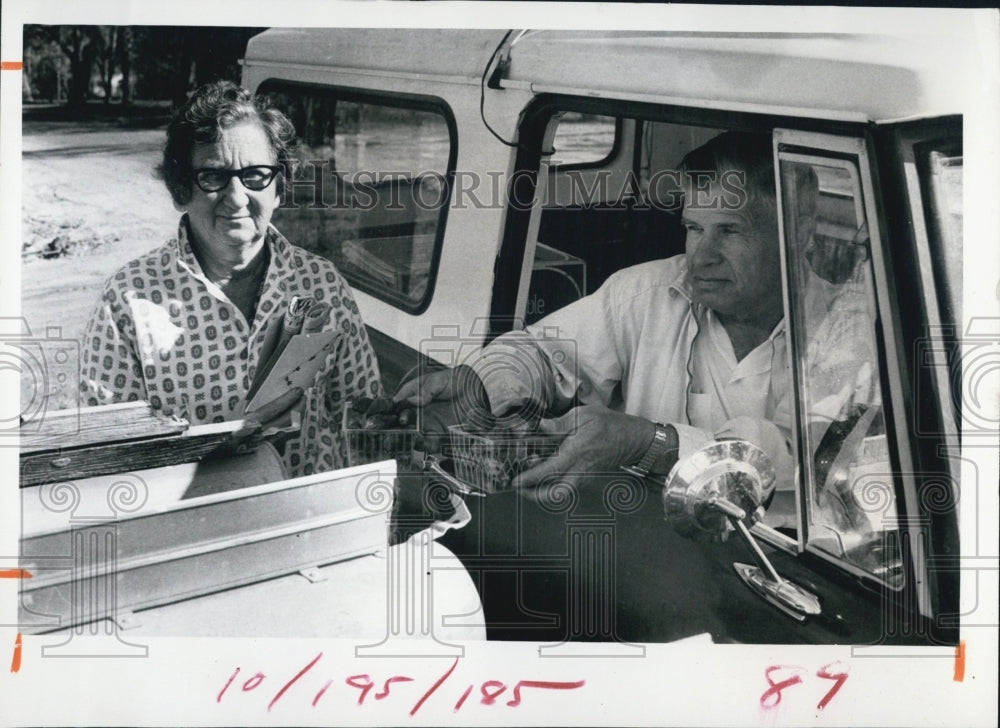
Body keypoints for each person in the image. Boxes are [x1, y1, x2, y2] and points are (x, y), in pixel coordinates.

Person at [399, 131, 815, 502]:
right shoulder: (646, 293)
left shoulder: (846, 331)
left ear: (796, 232)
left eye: (729, 230)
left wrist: (645, 442)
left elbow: (798, 457)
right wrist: (480, 381)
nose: (701, 257)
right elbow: (547, 355)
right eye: (693, 228)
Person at [80, 80, 380, 477]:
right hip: (195, 529)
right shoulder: (128, 301)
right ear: (180, 189)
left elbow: (363, 414)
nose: (237, 197)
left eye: (255, 175)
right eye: (214, 177)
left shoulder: (321, 284)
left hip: (306, 521)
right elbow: (104, 453)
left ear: (279, 188)